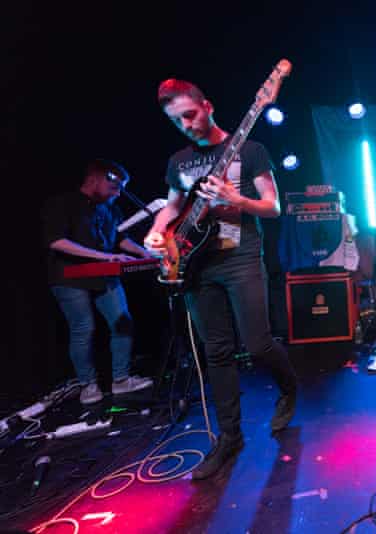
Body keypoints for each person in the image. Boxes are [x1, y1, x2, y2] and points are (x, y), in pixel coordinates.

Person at [144, 79, 298, 480]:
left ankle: (289, 387)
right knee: (216, 351)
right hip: (197, 263)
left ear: (207, 106)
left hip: (240, 254)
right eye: (176, 121)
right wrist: (157, 232)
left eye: (190, 115)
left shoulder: (250, 150)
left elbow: (274, 207)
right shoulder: (179, 161)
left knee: (258, 344)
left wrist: (238, 200)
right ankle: (230, 436)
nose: (186, 125)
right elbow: (173, 208)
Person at [43, 159, 155, 405]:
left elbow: (120, 238)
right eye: (114, 187)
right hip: (68, 276)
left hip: (103, 272)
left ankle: (121, 380)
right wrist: (106, 256)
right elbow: (57, 241)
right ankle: (88, 385)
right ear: (94, 179)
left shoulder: (110, 208)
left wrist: (145, 253)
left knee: (123, 322)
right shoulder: (62, 203)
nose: (117, 194)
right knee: (83, 328)